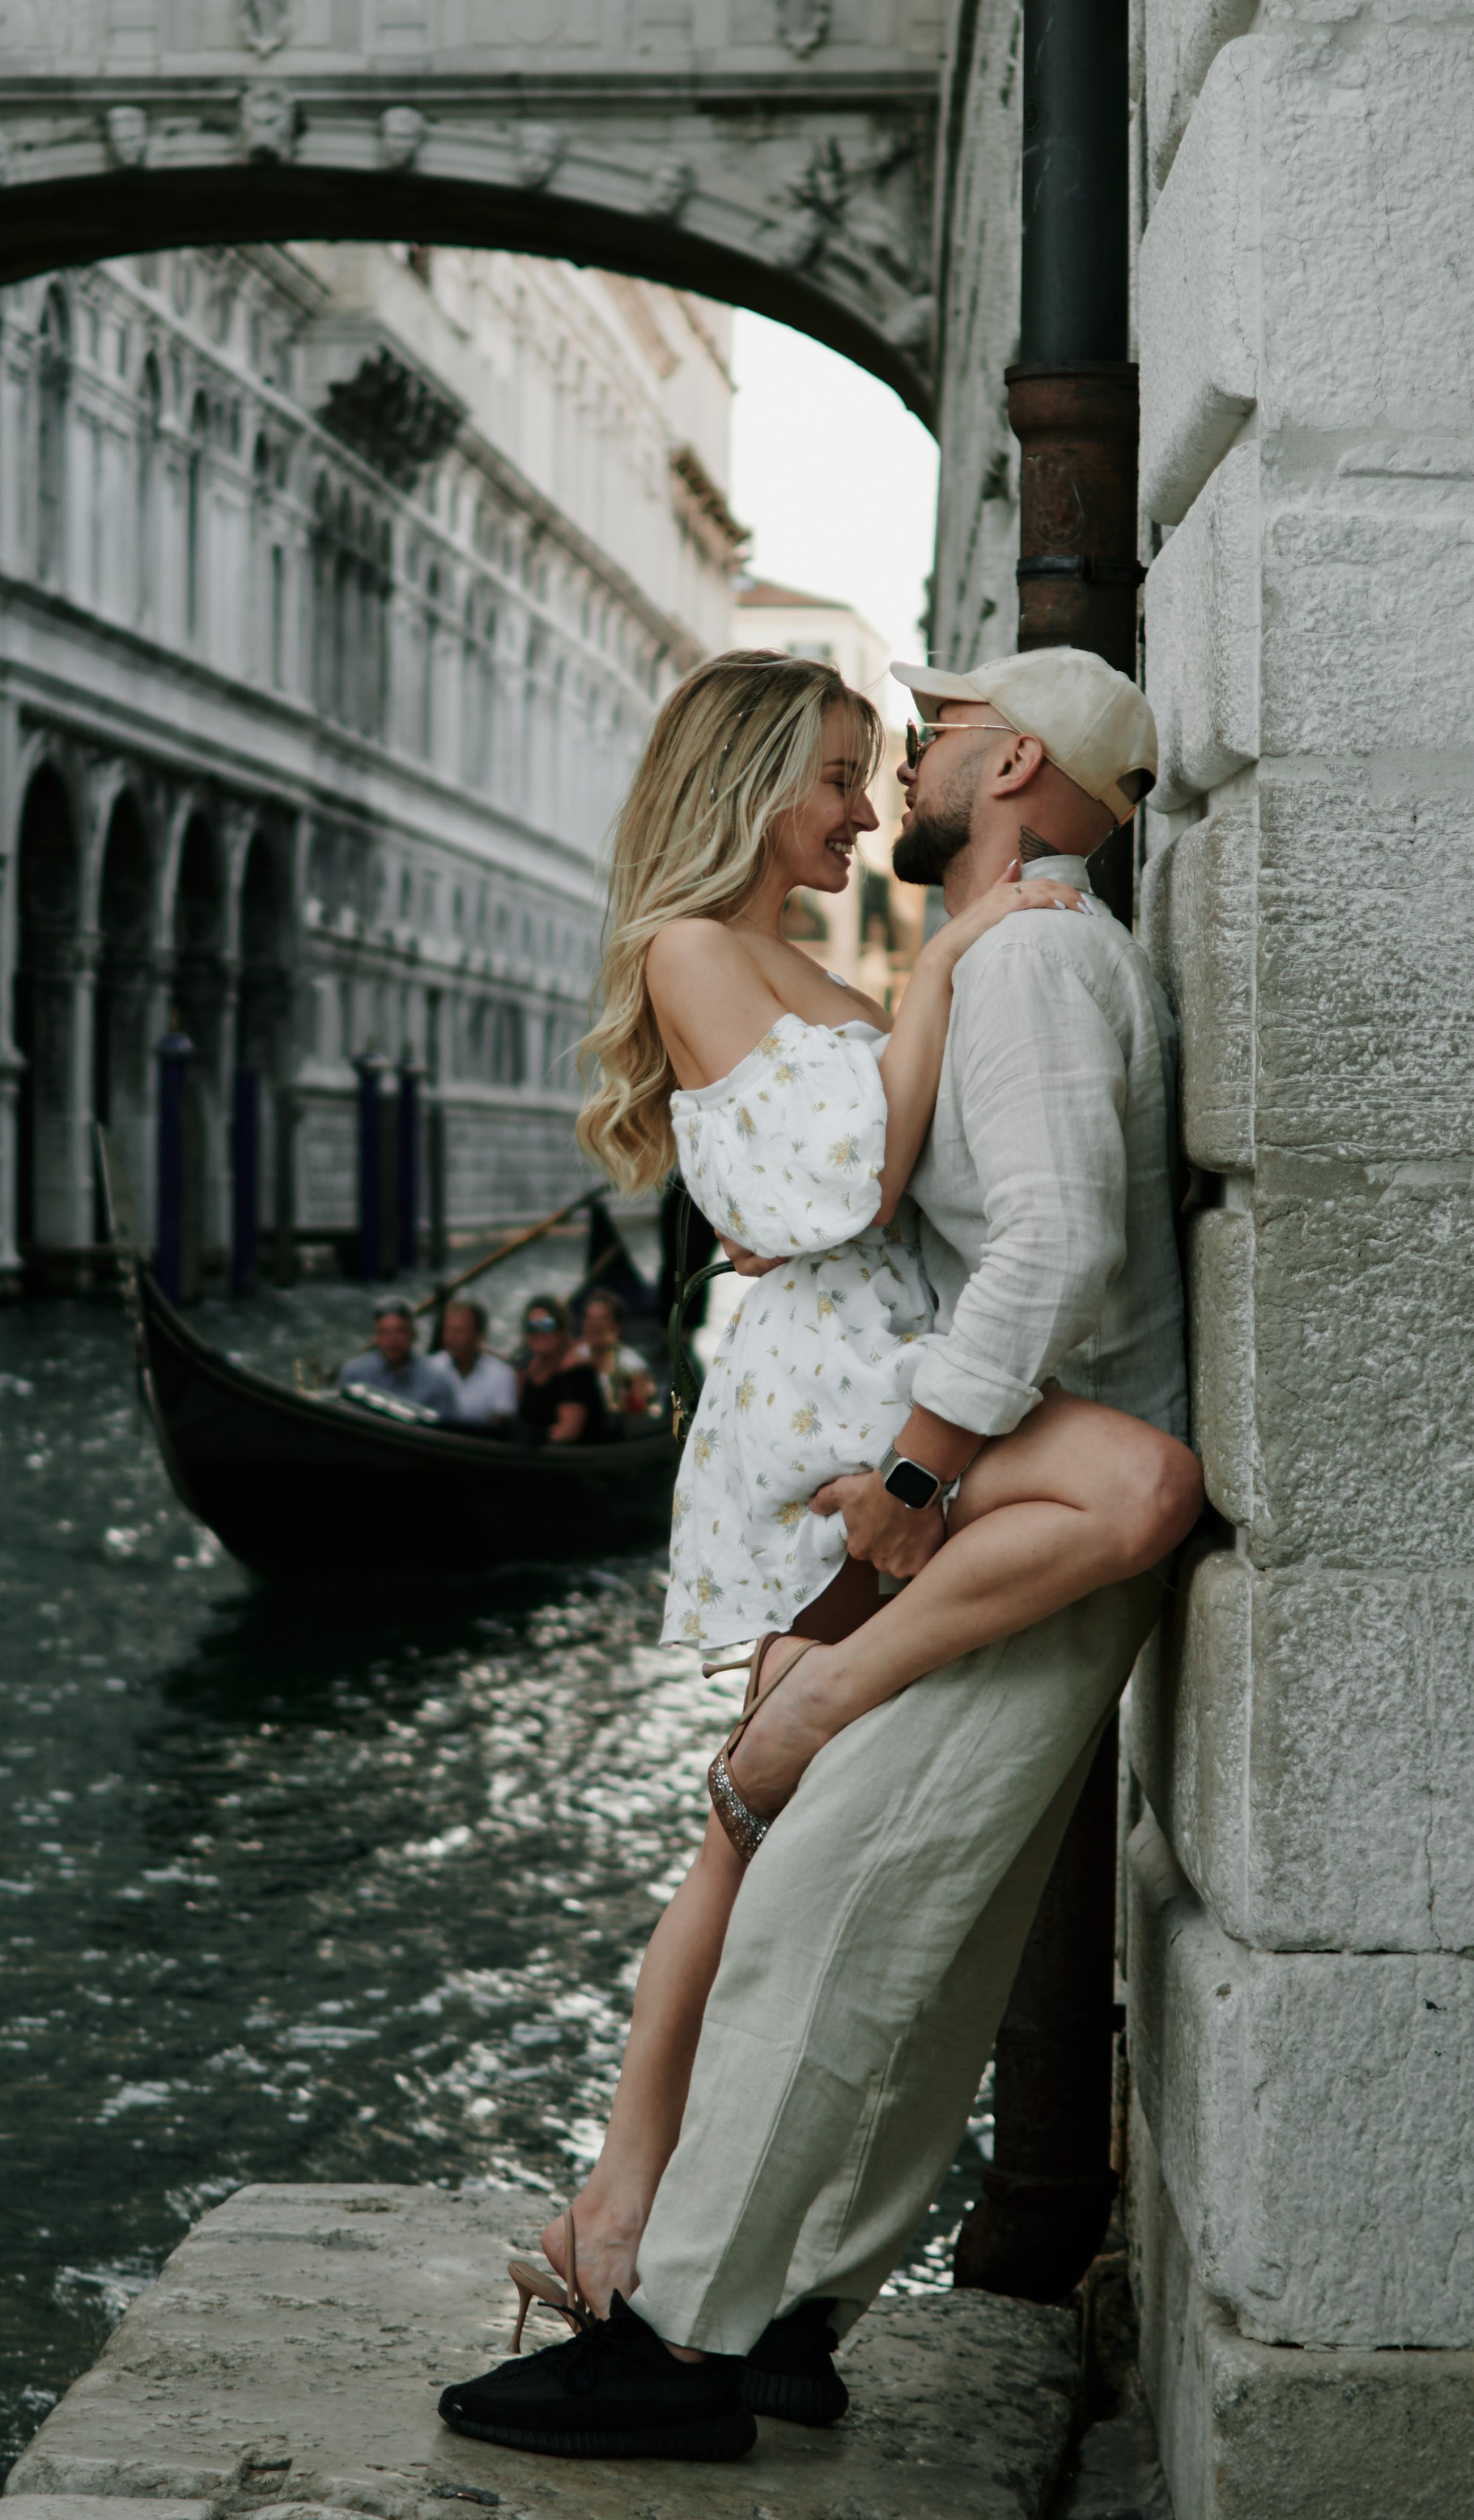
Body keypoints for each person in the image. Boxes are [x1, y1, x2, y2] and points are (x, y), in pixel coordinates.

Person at [439, 644, 1201, 2462]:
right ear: (750, 781)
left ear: (1006, 759)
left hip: (912, 1433)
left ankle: (697, 2300)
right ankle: (692, 2270)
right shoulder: (816, 949)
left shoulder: (990, 953)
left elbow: (974, 1220)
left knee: (810, 1870)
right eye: (842, 771)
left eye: (903, 752)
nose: (874, 800)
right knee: (792, 1860)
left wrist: (920, 1474)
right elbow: (843, 1186)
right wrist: (931, 970)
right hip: (859, 1427)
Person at [512, 1295, 609, 1446]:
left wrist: (534, 1437)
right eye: (532, 1327)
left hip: (574, 1459)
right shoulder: (530, 1365)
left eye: (547, 1325)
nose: (539, 1333)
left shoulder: (577, 1373)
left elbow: (568, 1432)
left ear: (563, 1329)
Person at [338, 1294, 455, 1417]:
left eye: (399, 1331)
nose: (392, 1340)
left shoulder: (436, 1381)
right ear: (376, 1338)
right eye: (384, 1332)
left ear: (412, 1334)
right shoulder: (354, 1373)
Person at [433, 1296, 518, 1431]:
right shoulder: (432, 1367)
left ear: (478, 1336)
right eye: (448, 1330)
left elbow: (500, 1428)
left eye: (459, 1331)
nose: (451, 1337)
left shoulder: (502, 1374)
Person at [578, 1287, 656, 1421]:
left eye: (602, 1319)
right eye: (590, 1318)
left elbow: (640, 1410)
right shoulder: (574, 1357)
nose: (594, 1325)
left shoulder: (633, 1365)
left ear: (617, 1326)